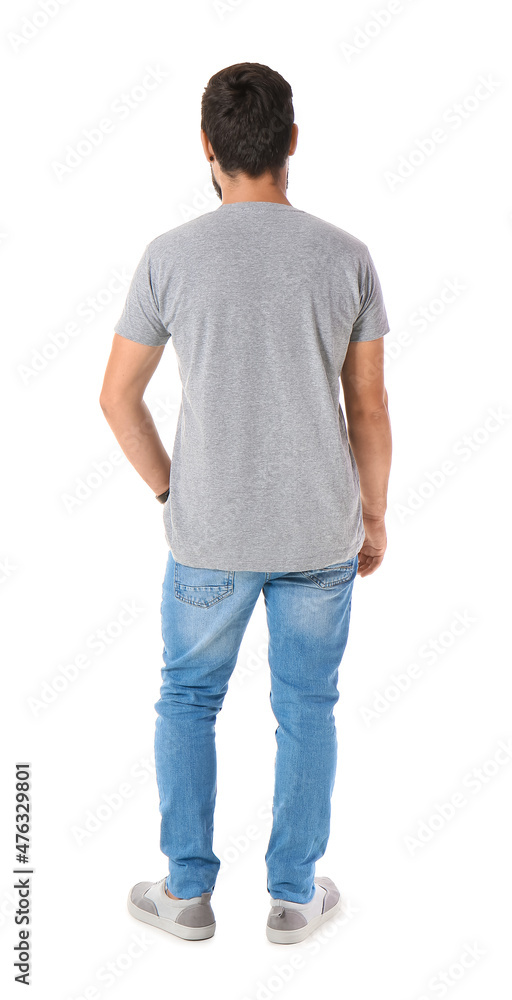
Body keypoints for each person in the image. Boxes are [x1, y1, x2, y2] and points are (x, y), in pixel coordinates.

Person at [99, 61, 392, 945]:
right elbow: (369, 406)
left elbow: (118, 397)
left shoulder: (169, 256)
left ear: (208, 148)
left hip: (209, 534)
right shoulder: (348, 256)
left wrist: (167, 489)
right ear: (292, 142)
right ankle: (295, 897)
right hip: (318, 529)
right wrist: (373, 516)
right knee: (308, 707)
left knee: (188, 699)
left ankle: (186, 894)